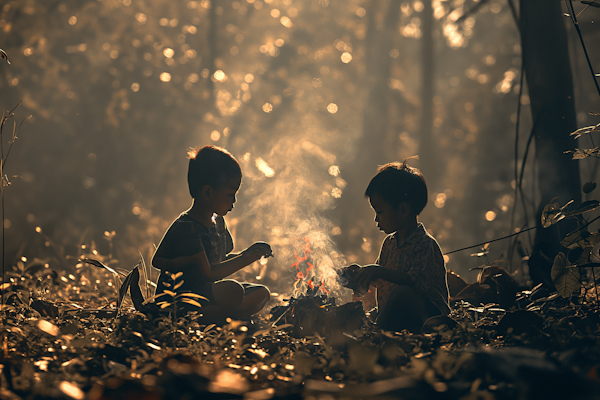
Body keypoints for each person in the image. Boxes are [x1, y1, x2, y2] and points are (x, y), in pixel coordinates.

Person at [151, 145, 273, 323]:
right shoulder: (188, 228)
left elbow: (221, 261)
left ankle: (219, 315)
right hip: (181, 298)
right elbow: (209, 273)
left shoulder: (219, 224)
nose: (234, 201)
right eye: (230, 194)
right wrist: (246, 257)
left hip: (207, 294)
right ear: (208, 192)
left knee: (262, 293)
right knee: (233, 291)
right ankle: (200, 317)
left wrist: (251, 253)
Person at [341, 161, 450, 332]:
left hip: (425, 314)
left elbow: (413, 282)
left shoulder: (424, 244)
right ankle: (379, 327)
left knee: (403, 294)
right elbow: (384, 278)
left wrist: (377, 270)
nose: (376, 219)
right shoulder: (389, 244)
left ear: (403, 209)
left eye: (380, 212)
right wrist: (362, 274)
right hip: (396, 315)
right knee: (366, 310)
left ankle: (380, 332)